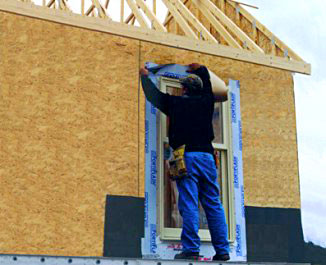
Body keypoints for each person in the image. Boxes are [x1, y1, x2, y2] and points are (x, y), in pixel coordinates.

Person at [139, 63, 230, 261]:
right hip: (206, 157)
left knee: (189, 203)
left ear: (184, 89)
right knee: (213, 204)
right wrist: (200, 69)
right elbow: (206, 82)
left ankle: (191, 249)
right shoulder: (207, 101)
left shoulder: (175, 103)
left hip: (186, 157)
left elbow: (153, 96)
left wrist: (145, 76)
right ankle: (222, 251)